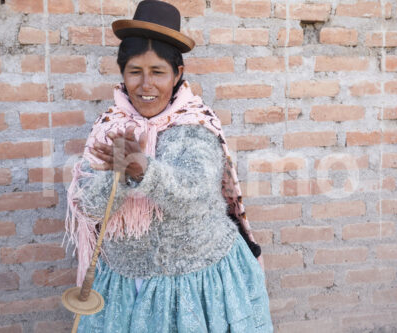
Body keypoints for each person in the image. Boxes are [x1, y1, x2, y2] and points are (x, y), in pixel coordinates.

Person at [64, 1, 273, 332]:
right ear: (123, 74)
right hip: (124, 286)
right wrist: (116, 178)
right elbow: (90, 207)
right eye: (135, 71)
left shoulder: (196, 126)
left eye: (158, 72)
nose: (146, 85)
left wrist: (143, 170)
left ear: (178, 74)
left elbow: (195, 196)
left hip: (199, 285)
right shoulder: (109, 126)